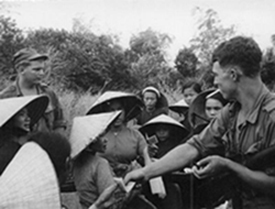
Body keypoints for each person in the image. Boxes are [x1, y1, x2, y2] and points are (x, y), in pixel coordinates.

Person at [125, 36, 275, 209]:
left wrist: (229, 165)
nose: (215, 82)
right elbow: (194, 146)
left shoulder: (271, 116)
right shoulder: (232, 112)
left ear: (233, 74)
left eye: (216, 75)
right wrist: (145, 172)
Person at [0, 48, 67, 133]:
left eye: (42, 69)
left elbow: (59, 123)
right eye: (37, 70)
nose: (42, 73)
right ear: (21, 70)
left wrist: (57, 144)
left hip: (47, 144)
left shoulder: (48, 93)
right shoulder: (6, 97)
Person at [70, 111, 126, 209]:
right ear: (90, 143)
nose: (106, 139)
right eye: (101, 136)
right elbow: (110, 201)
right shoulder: (100, 164)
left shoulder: (77, 164)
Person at [139, 114, 189, 209]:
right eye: (158, 130)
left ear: (170, 131)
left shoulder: (175, 145)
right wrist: (149, 155)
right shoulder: (152, 145)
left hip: (172, 177)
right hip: (153, 179)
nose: (161, 133)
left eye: (165, 130)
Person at [0, 95, 49, 175]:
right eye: (22, 115)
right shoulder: (9, 149)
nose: (28, 118)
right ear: (11, 120)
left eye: (27, 114)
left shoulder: (18, 145)